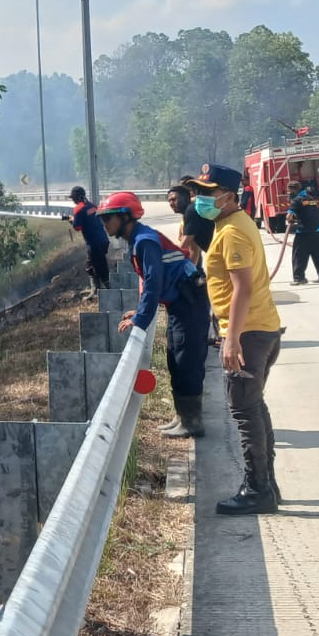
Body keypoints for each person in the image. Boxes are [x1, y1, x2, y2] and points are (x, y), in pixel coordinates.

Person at [186, 163, 284, 515]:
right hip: (260, 329)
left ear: (229, 196)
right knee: (254, 407)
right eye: (198, 192)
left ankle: (257, 489)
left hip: (249, 333)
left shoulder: (232, 232)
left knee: (245, 412)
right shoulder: (231, 225)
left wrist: (232, 339)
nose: (199, 199)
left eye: (207, 193)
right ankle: (267, 483)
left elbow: (241, 289)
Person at [97, 191, 212, 438]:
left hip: (188, 303)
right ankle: (183, 416)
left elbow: (153, 283)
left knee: (186, 361)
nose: (104, 224)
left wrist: (140, 319)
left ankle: (192, 422)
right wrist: (140, 310)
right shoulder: (137, 238)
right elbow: (147, 281)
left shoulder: (145, 240)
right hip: (179, 303)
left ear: (125, 217)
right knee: (175, 358)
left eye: (108, 218)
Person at [168, 180, 219, 346]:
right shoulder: (190, 213)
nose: (171, 204)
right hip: (216, 256)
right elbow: (193, 249)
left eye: (174, 199)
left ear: (185, 197)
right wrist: (191, 272)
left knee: (220, 297)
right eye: (169, 201)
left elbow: (184, 244)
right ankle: (218, 335)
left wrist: (169, 267)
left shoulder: (191, 211)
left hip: (221, 257)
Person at [62, 185, 111, 294]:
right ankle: (101, 289)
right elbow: (91, 219)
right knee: (99, 264)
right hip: (103, 240)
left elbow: (77, 227)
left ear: (77, 197)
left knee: (92, 266)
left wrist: (71, 220)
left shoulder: (78, 209)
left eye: (73, 198)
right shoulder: (92, 206)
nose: (73, 200)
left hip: (94, 243)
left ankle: (103, 290)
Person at [288, 178, 319, 285]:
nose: (289, 193)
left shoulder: (296, 201)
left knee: (299, 256)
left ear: (294, 190)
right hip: (318, 230)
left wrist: (291, 221)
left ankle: (299, 278)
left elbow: (290, 216)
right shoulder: (310, 198)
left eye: (290, 191)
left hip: (304, 232)